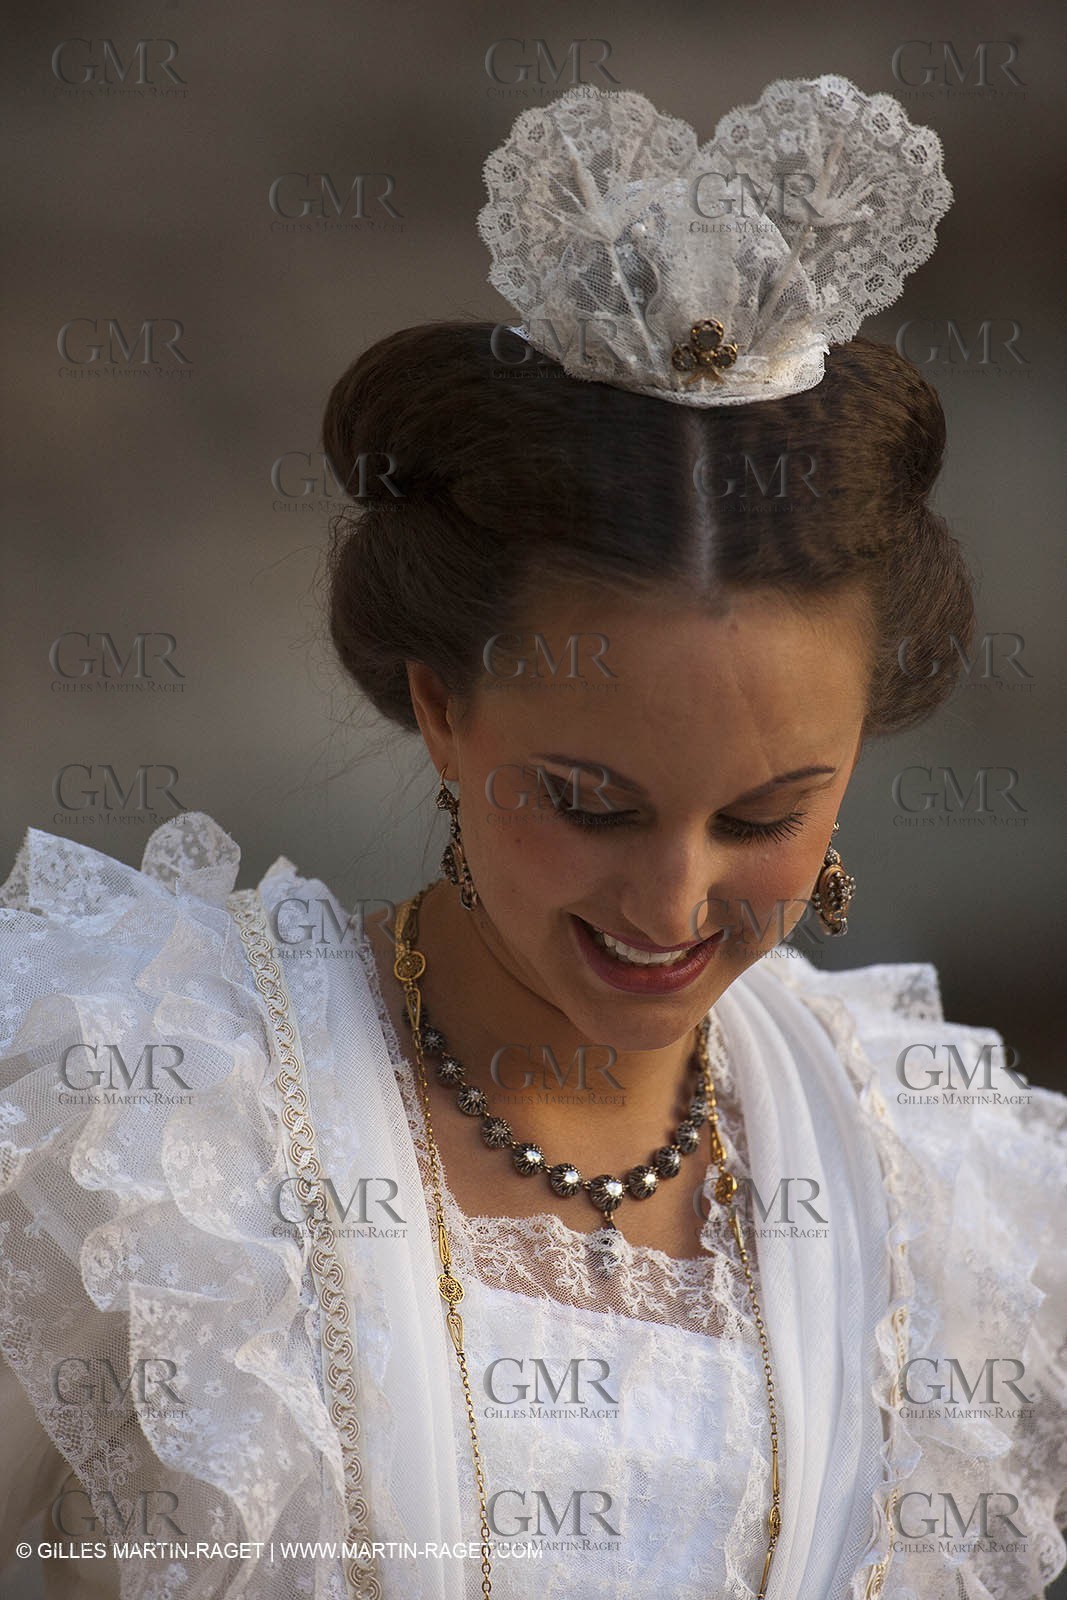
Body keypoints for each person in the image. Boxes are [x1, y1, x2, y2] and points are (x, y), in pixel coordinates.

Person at [1, 77, 1064, 1600]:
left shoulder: (960, 1210)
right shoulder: (144, 1129)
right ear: (442, 709)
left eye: (765, 814)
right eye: (592, 803)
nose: (675, 898)